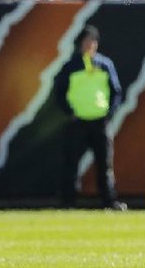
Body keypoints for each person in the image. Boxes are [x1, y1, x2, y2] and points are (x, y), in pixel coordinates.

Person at [54, 25, 125, 210]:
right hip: (78, 122)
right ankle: (68, 202)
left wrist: (109, 113)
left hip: (100, 122)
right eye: (86, 41)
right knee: (71, 164)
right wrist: (71, 111)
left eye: (92, 42)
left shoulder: (105, 64)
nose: (89, 45)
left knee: (105, 165)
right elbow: (59, 92)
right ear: (80, 44)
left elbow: (116, 91)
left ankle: (109, 202)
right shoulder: (71, 66)